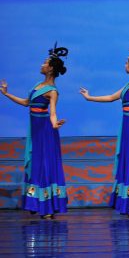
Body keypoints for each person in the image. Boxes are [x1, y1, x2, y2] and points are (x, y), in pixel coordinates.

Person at [80, 41, 129, 217]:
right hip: (127, 125)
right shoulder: (127, 86)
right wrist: (89, 97)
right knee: (128, 160)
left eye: (126, 63)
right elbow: (110, 97)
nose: (124, 65)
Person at [1, 42, 69, 219]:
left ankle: (47, 206)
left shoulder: (53, 91)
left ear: (51, 68)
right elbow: (26, 103)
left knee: (44, 166)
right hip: (35, 130)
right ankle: (35, 203)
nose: (42, 65)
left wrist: (55, 124)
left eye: (45, 63)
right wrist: (7, 94)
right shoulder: (38, 85)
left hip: (45, 131)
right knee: (35, 165)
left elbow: (53, 113)